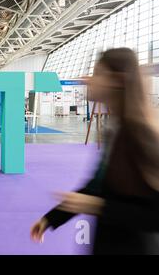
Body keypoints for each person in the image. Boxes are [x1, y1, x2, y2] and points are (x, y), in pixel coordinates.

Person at [30, 48, 159, 254]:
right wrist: (52, 217)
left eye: (97, 73)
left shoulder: (139, 133)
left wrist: (97, 206)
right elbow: (97, 186)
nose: (86, 79)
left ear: (117, 80)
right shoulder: (114, 129)